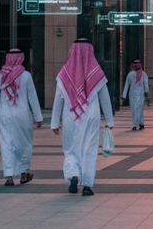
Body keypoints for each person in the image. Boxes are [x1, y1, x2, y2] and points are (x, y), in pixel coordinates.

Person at [50, 39, 115, 196]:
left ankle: (73, 175)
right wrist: (110, 120)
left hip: (70, 116)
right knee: (89, 149)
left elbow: (58, 99)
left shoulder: (64, 73)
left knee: (70, 148)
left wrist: (54, 122)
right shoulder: (96, 72)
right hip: (91, 116)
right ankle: (86, 185)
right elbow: (105, 98)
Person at [0, 49, 43, 186]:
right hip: (22, 115)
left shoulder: (1, 76)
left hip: (5, 116)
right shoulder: (26, 75)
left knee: (7, 145)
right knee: (24, 144)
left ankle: (9, 176)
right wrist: (38, 117)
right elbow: (32, 97)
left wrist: (1, 113)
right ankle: (23, 173)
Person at [121, 59, 150, 131]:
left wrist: (146, 91)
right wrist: (124, 95)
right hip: (134, 95)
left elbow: (145, 84)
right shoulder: (133, 74)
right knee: (136, 110)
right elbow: (127, 84)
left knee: (138, 110)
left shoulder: (142, 74)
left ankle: (139, 124)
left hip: (139, 95)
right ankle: (137, 124)